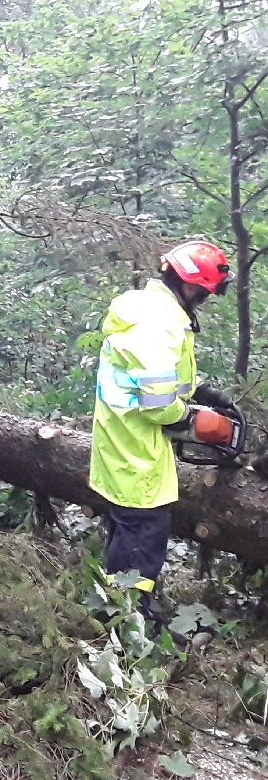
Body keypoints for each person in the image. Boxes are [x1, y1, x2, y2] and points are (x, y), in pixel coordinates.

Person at [89, 240, 234, 620]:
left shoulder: (146, 307)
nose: (204, 300)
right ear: (190, 286)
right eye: (204, 293)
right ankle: (127, 620)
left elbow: (158, 375)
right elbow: (158, 403)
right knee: (141, 540)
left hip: (121, 440)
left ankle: (120, 606)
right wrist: (192, 421)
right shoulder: (159, 324)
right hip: (137, 453)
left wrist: (203, 392)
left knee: (127, 534)